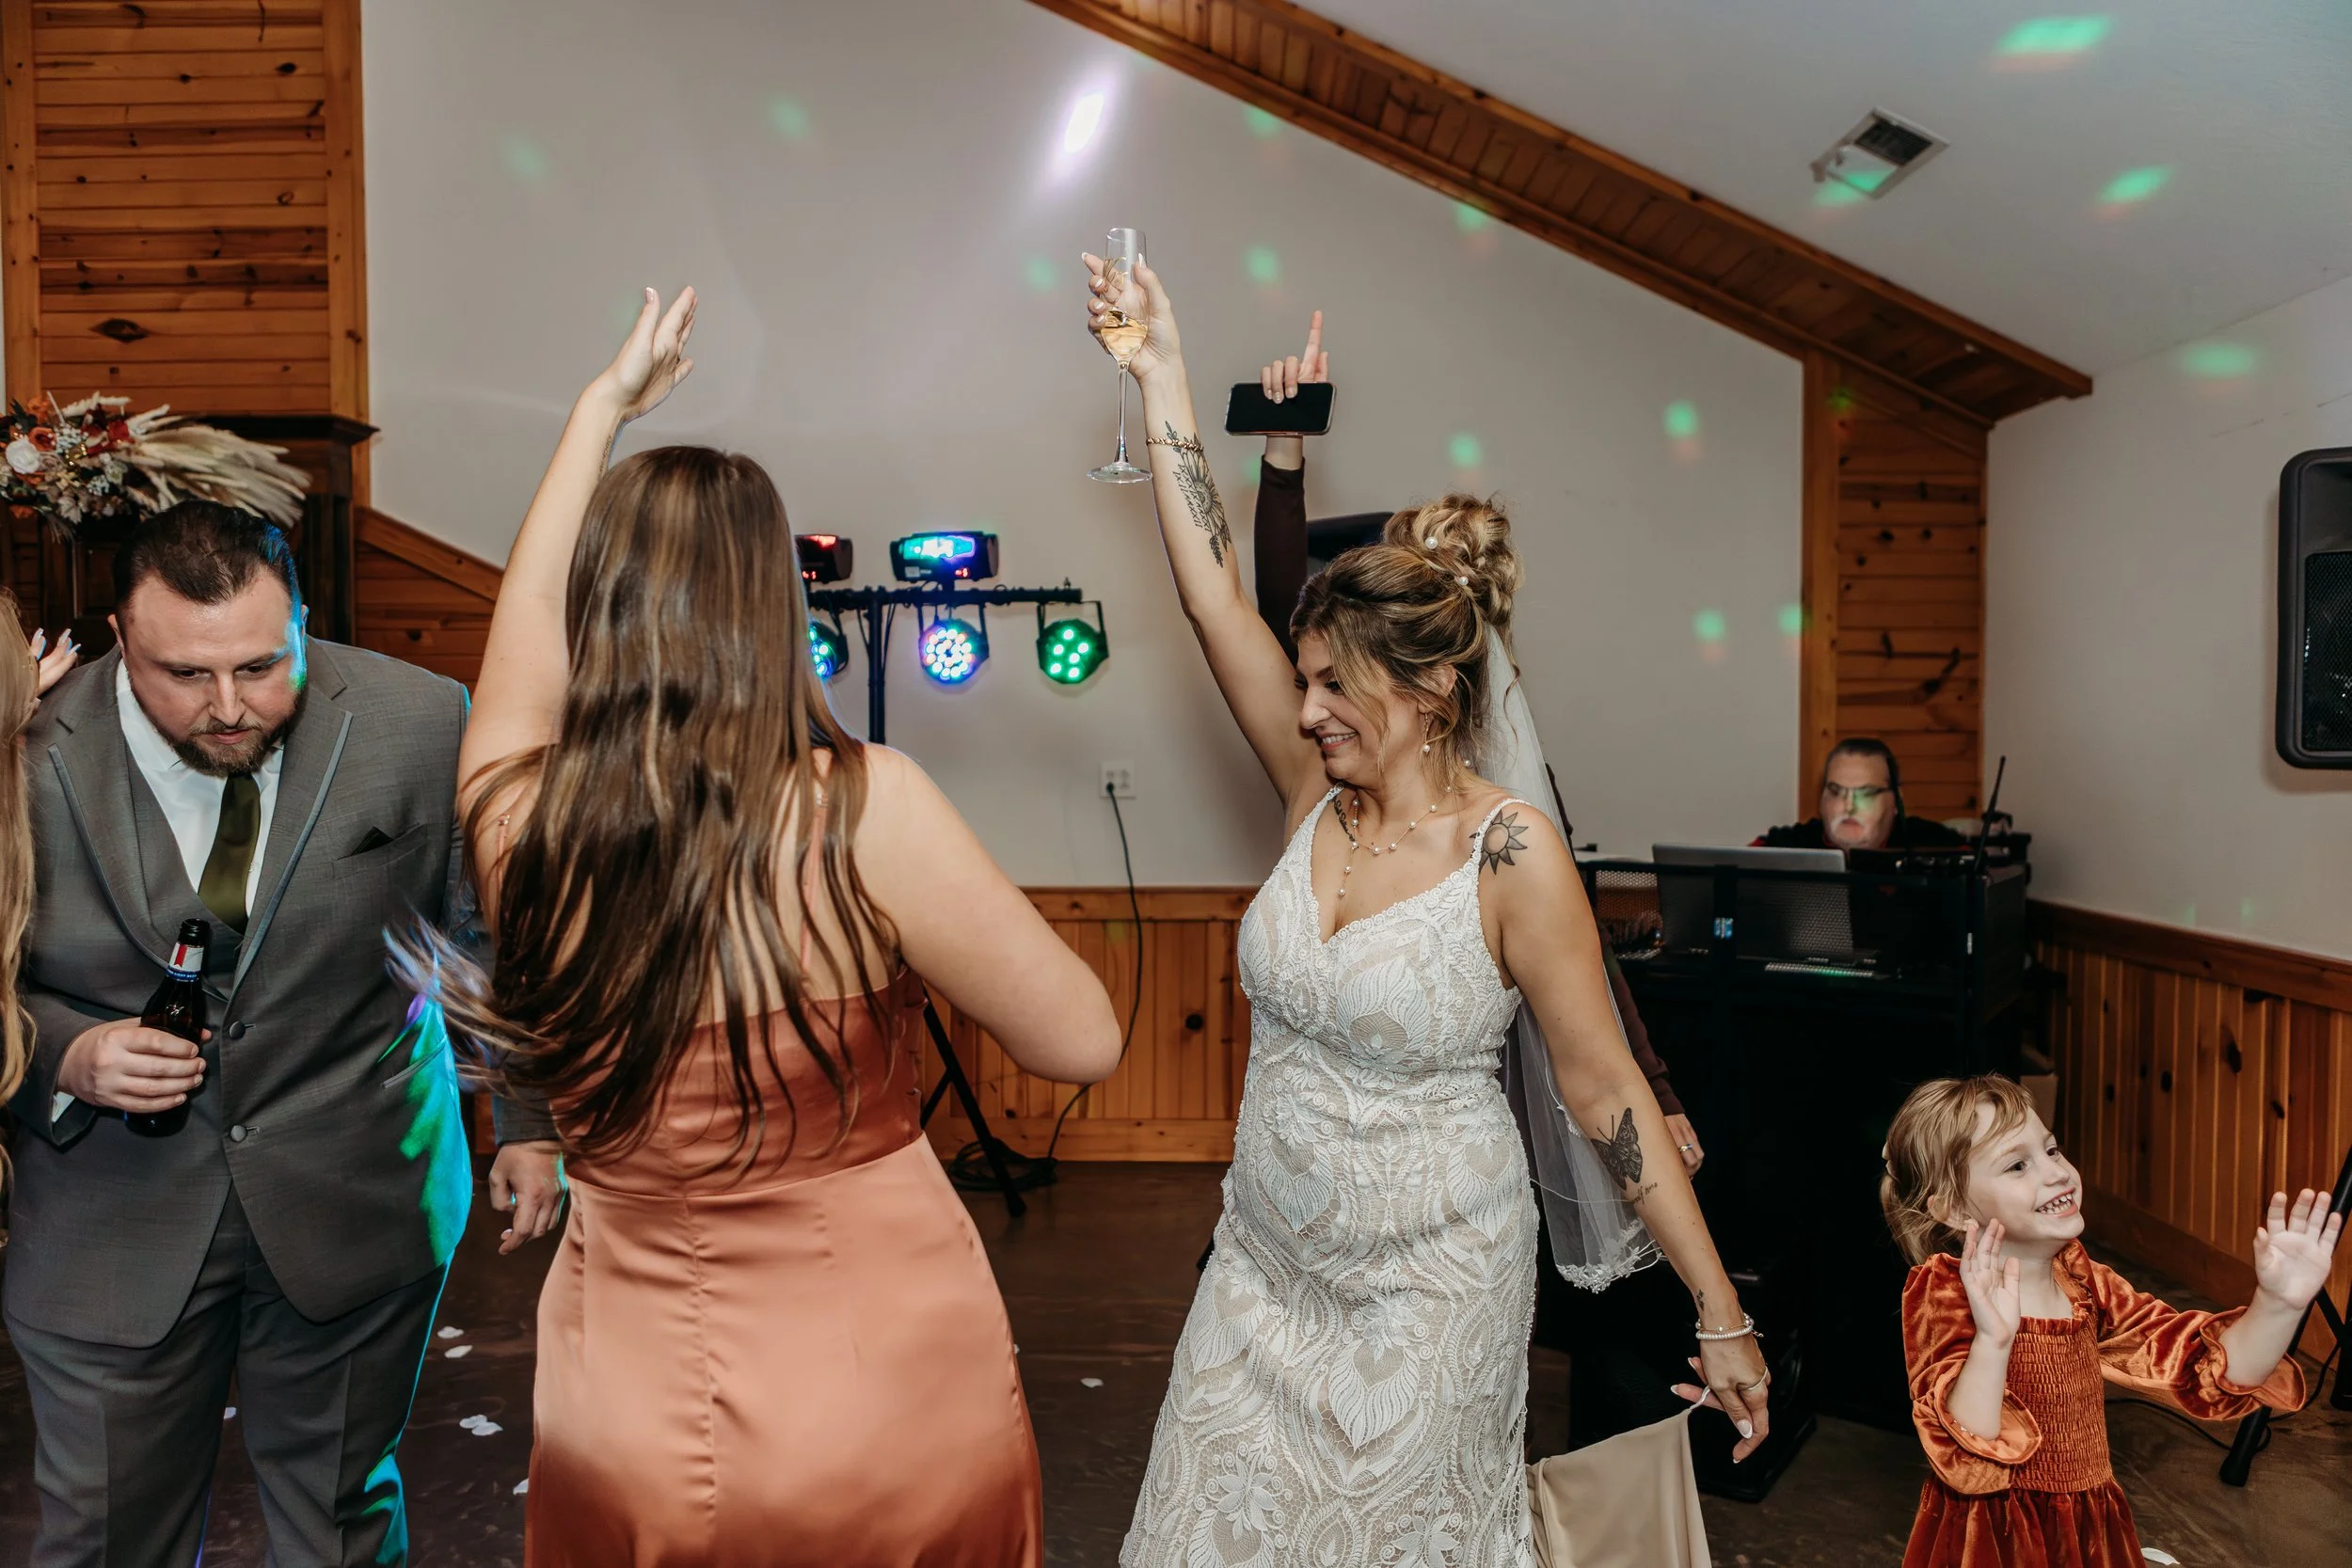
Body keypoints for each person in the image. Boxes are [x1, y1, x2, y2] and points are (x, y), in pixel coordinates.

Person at [406, 287, 1122, 1565]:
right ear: (766, 606)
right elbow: (1083, 1040)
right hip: (877, 1371)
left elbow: (514, 660)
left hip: (624, 1382)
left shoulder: (519, 819)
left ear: (599, 613)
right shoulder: (865, 810)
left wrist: (597, 413)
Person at [1089, 254, 1768, 1568]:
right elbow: (1206, 587)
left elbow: (1605, 1090)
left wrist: (1721, 1307)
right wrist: (1161, 372)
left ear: (1435, 690)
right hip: (1261, 1269)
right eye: (1301, 680)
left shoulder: (1512, 855)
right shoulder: (1309, 790)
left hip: (1435, 1289)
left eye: (1336, 686)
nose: (1303, 712)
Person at [8, 503, 565, 1566]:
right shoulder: (23, 747)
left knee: (342, 1528)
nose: (231, 706)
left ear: (303, 621)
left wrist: (530, 1117)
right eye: (185, 674)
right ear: (121, 636)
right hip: (104, 1218)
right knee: (106, 1539)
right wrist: (66, 1053)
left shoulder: (420, 716)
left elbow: (493, 931)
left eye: (265, 666)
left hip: (361, 1193)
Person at [1881, 1075, 2334, 1568]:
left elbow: (2203, 1366)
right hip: (1999, 1537)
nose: (2056, 1173)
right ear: (1952, 1208)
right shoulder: (1944, 1290)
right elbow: (1967, 1456)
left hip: (2089, 1525)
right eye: (2017, 1165)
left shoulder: (2082, 1277)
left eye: (2051, 1150)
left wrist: (2279, 1303)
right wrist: (1994, 1338)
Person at [1757, 736, 1968, 853]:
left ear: (1896, 802)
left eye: (1865, 794)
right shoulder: (1787, 849)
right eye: (1836, 791)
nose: (1849, 806)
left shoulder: (1938, 849)